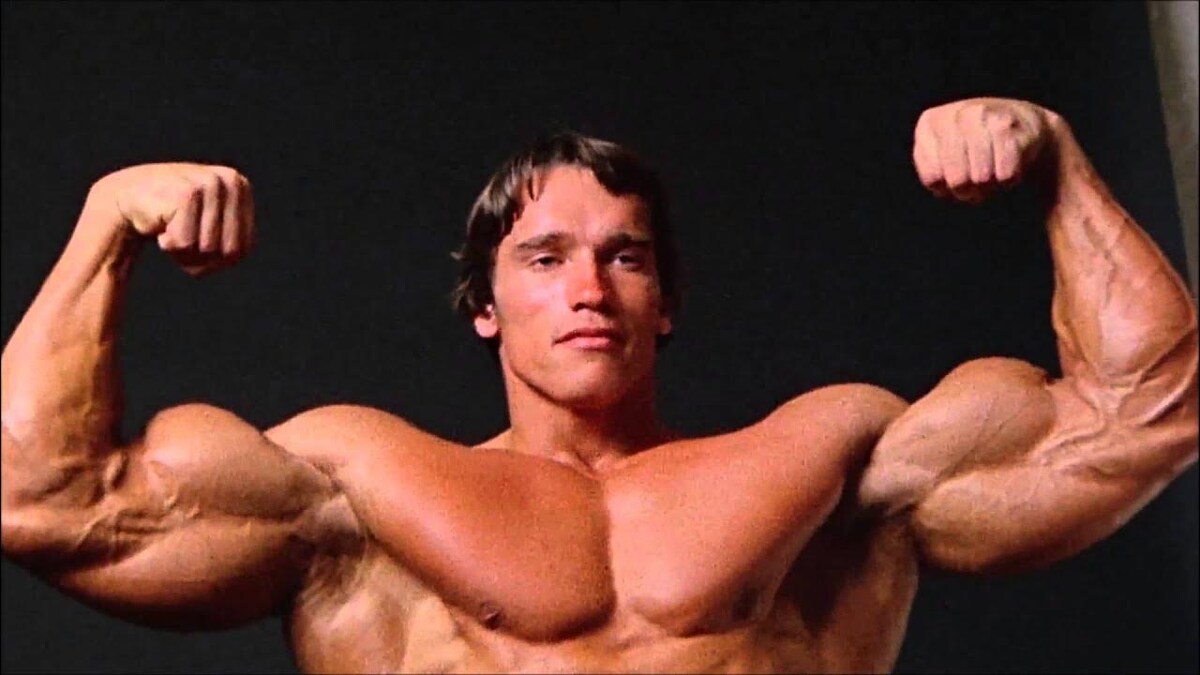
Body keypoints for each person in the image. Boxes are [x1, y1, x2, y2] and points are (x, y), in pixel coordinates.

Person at [1, 97, 1195, 674]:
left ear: (664, 300)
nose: (589, 288)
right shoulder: (354, 491)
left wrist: (1056, 161)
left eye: (625, 257)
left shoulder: (829, 469)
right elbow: (42, 499)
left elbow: (1145, 413)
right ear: (483, 307)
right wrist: (106, 223)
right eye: (544, 259)